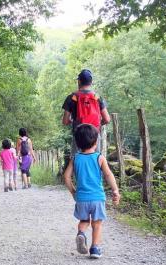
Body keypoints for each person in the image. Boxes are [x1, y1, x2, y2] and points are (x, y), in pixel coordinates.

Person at [63, 124, 120, 259]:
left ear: (77, 143)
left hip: (81, 197)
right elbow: (108, 175)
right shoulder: (99, 157)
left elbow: (66, 176)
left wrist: (73, 191)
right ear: (95, 141)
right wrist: (115, 190)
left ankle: (81, 234)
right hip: (97, 198)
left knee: (84, 220)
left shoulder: (75, 158)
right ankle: (95, 248)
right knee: (97, 223)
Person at [62, 69, 111, 157]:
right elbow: (107, 119)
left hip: (78, 136)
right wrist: (98, 124)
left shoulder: (72, 97)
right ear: (91, 82)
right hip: (94, 135)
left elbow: (65, 121)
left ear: (79, 81)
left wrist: (73, 121)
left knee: (76, 163)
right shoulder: (97, 97)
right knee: (95, 162)